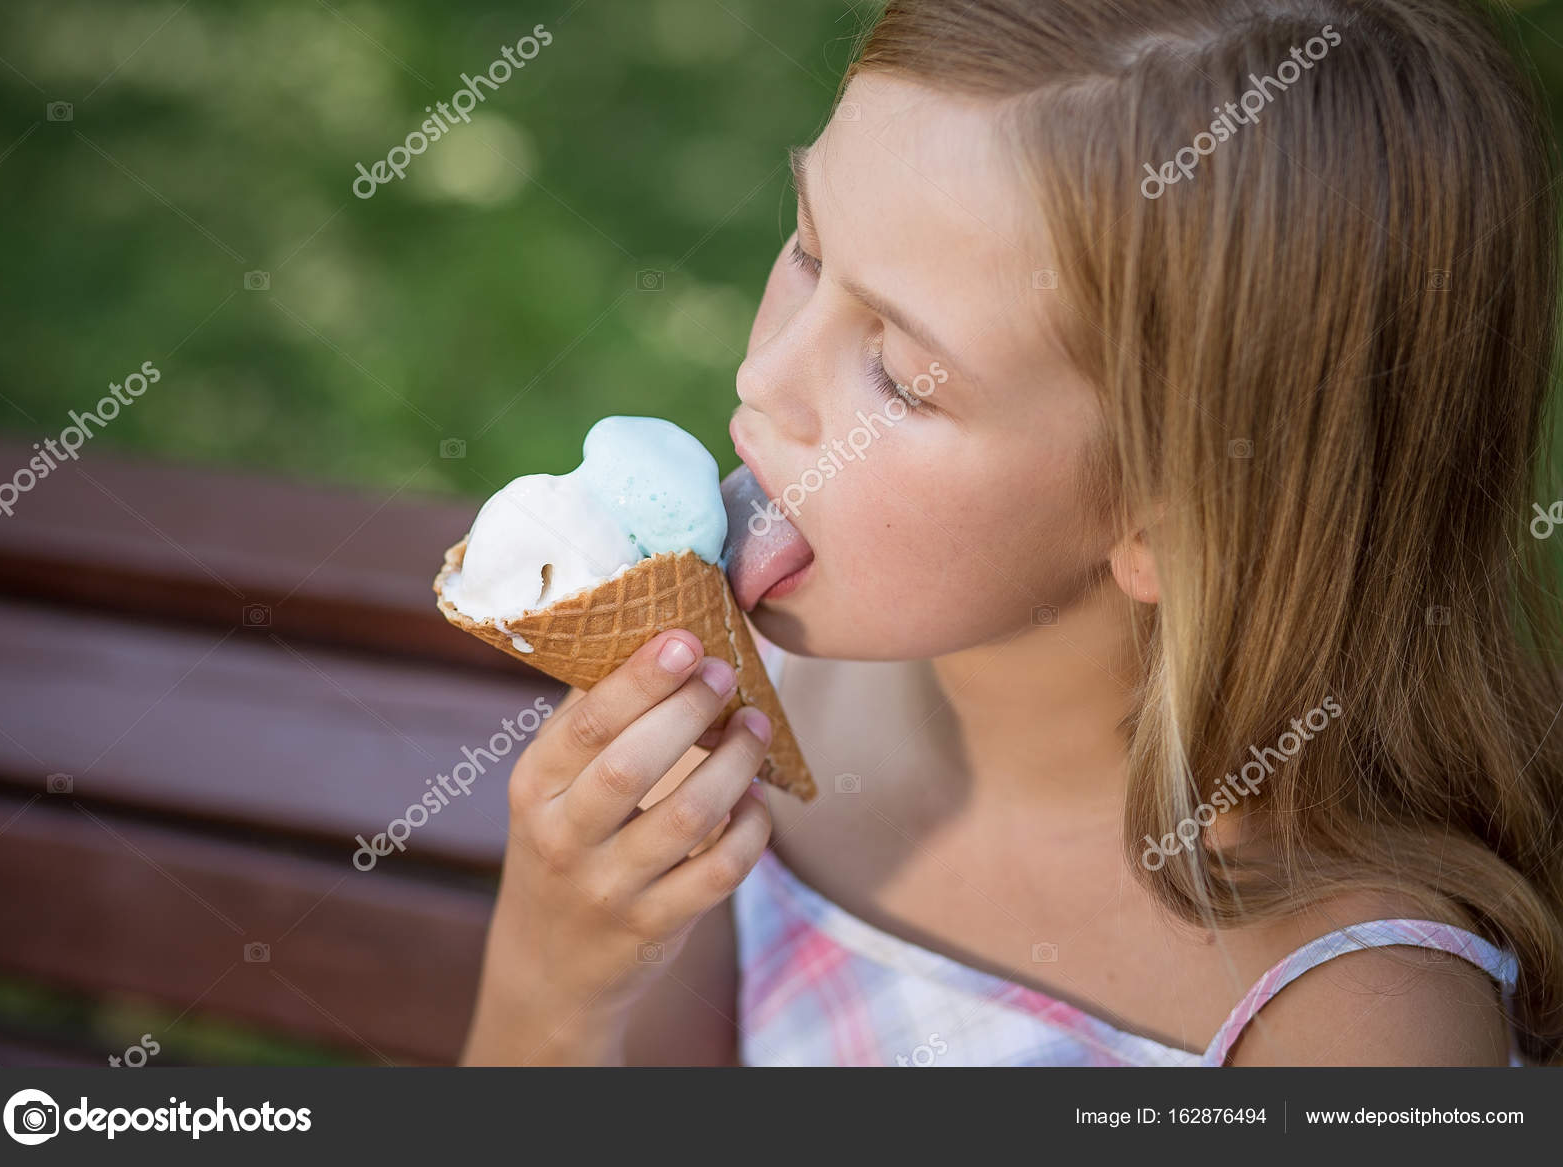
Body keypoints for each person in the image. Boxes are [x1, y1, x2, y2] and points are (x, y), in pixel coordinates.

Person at [461, 0, 1563, 1066]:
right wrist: (551, 983)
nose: (762, 376)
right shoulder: (748, 709)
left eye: (897, 376)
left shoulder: (1354, 1030)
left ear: (1176, 524)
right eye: (804, 250)